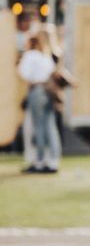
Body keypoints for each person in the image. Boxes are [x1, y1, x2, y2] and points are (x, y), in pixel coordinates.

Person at [17, 36, 60, 173]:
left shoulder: (30, 56)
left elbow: (23, 73)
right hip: (48, 92)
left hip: (36, 91)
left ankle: (39, 161)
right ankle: (53, 160)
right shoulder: (46, 57)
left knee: (38, 127)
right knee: (50, 126)